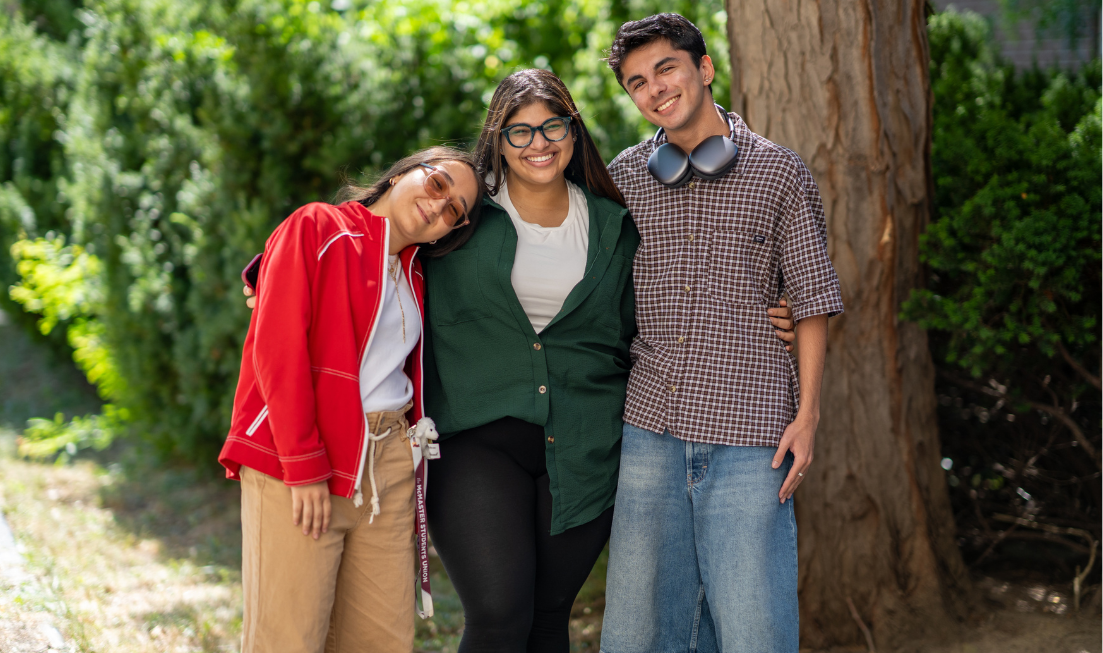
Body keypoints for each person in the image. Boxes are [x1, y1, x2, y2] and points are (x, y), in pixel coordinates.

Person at [420, 69, 796, 653]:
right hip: (476, 444)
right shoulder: (461, 217)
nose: (538, 143)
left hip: (585, 448)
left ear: (574, 132)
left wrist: (774, 316)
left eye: (552, 126)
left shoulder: (616, 221)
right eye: (518, 132)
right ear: (496, 141)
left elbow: (667, 303)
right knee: (497, 616)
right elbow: (376, 236)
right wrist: (284, 266)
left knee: (549, 616)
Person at [597, 13, 845, 653]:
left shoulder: (779, 173)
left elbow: (813, 300)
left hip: (750, 432)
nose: (655, 89)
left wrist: (808, 415)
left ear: (704, 69)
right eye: (637, 83)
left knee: (752, 627)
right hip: (650, 426)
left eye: (666, 69)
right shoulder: (625, 179)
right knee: (644, 628)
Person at [219, 146, 483, 653]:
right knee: (288, 638)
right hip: (302, 456)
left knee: (381, 640)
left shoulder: (418, 273)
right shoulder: (317, 227)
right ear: (404, 172)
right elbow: (279, 350)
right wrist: (303, 464)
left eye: (455, 211)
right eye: (437, 184)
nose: (439, 206)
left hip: (388, 465)